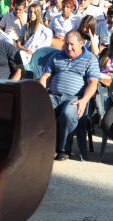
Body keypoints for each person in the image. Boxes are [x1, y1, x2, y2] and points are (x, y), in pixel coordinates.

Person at [38, 31, 101, 161]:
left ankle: (63, 149)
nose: (69, 48)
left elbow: (93, 83)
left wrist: (84, 100)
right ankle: (42, 146)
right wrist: (40, 94)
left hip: (76, 97)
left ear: (81, 43)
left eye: (72, 44)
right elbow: (45, 77)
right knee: (38, 109)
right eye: (66, 44)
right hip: (54, 95)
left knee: (68, 113)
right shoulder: (57, 56)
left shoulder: (90, 58)